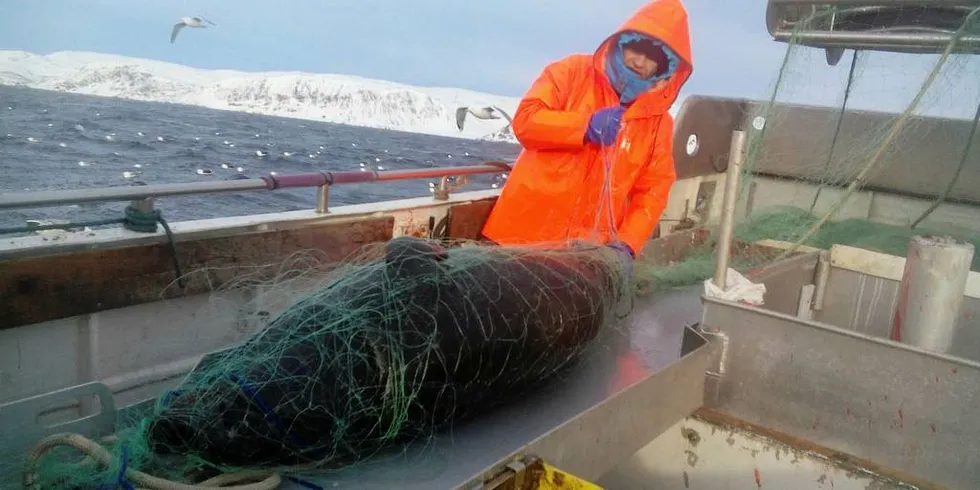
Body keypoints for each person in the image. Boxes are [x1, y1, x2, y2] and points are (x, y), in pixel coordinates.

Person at [481, 0, 693, 278]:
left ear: (666, 68)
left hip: (585, 259)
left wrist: (627, 244)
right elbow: (525, 122)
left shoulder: (659, 124)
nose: (639, 61)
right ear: (621, 43)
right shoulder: (571, 72)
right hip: (515, 241)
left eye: (653, 57)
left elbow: (653, 191)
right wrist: (583, 126)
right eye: (636, 48)